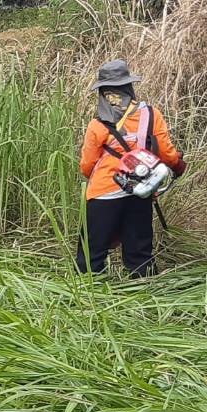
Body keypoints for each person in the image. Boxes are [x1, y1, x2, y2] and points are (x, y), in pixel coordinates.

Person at [76, 59, 186, 277]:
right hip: (140, 190)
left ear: (103, 93)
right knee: (139, 253)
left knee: (92, 252)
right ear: (129, 87)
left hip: (104, 194)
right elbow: (167, 153)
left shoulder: (97, 125)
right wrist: (178, 165)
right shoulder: (152, 115)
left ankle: (89, 290)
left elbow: (87, 166)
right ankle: (143, 289)